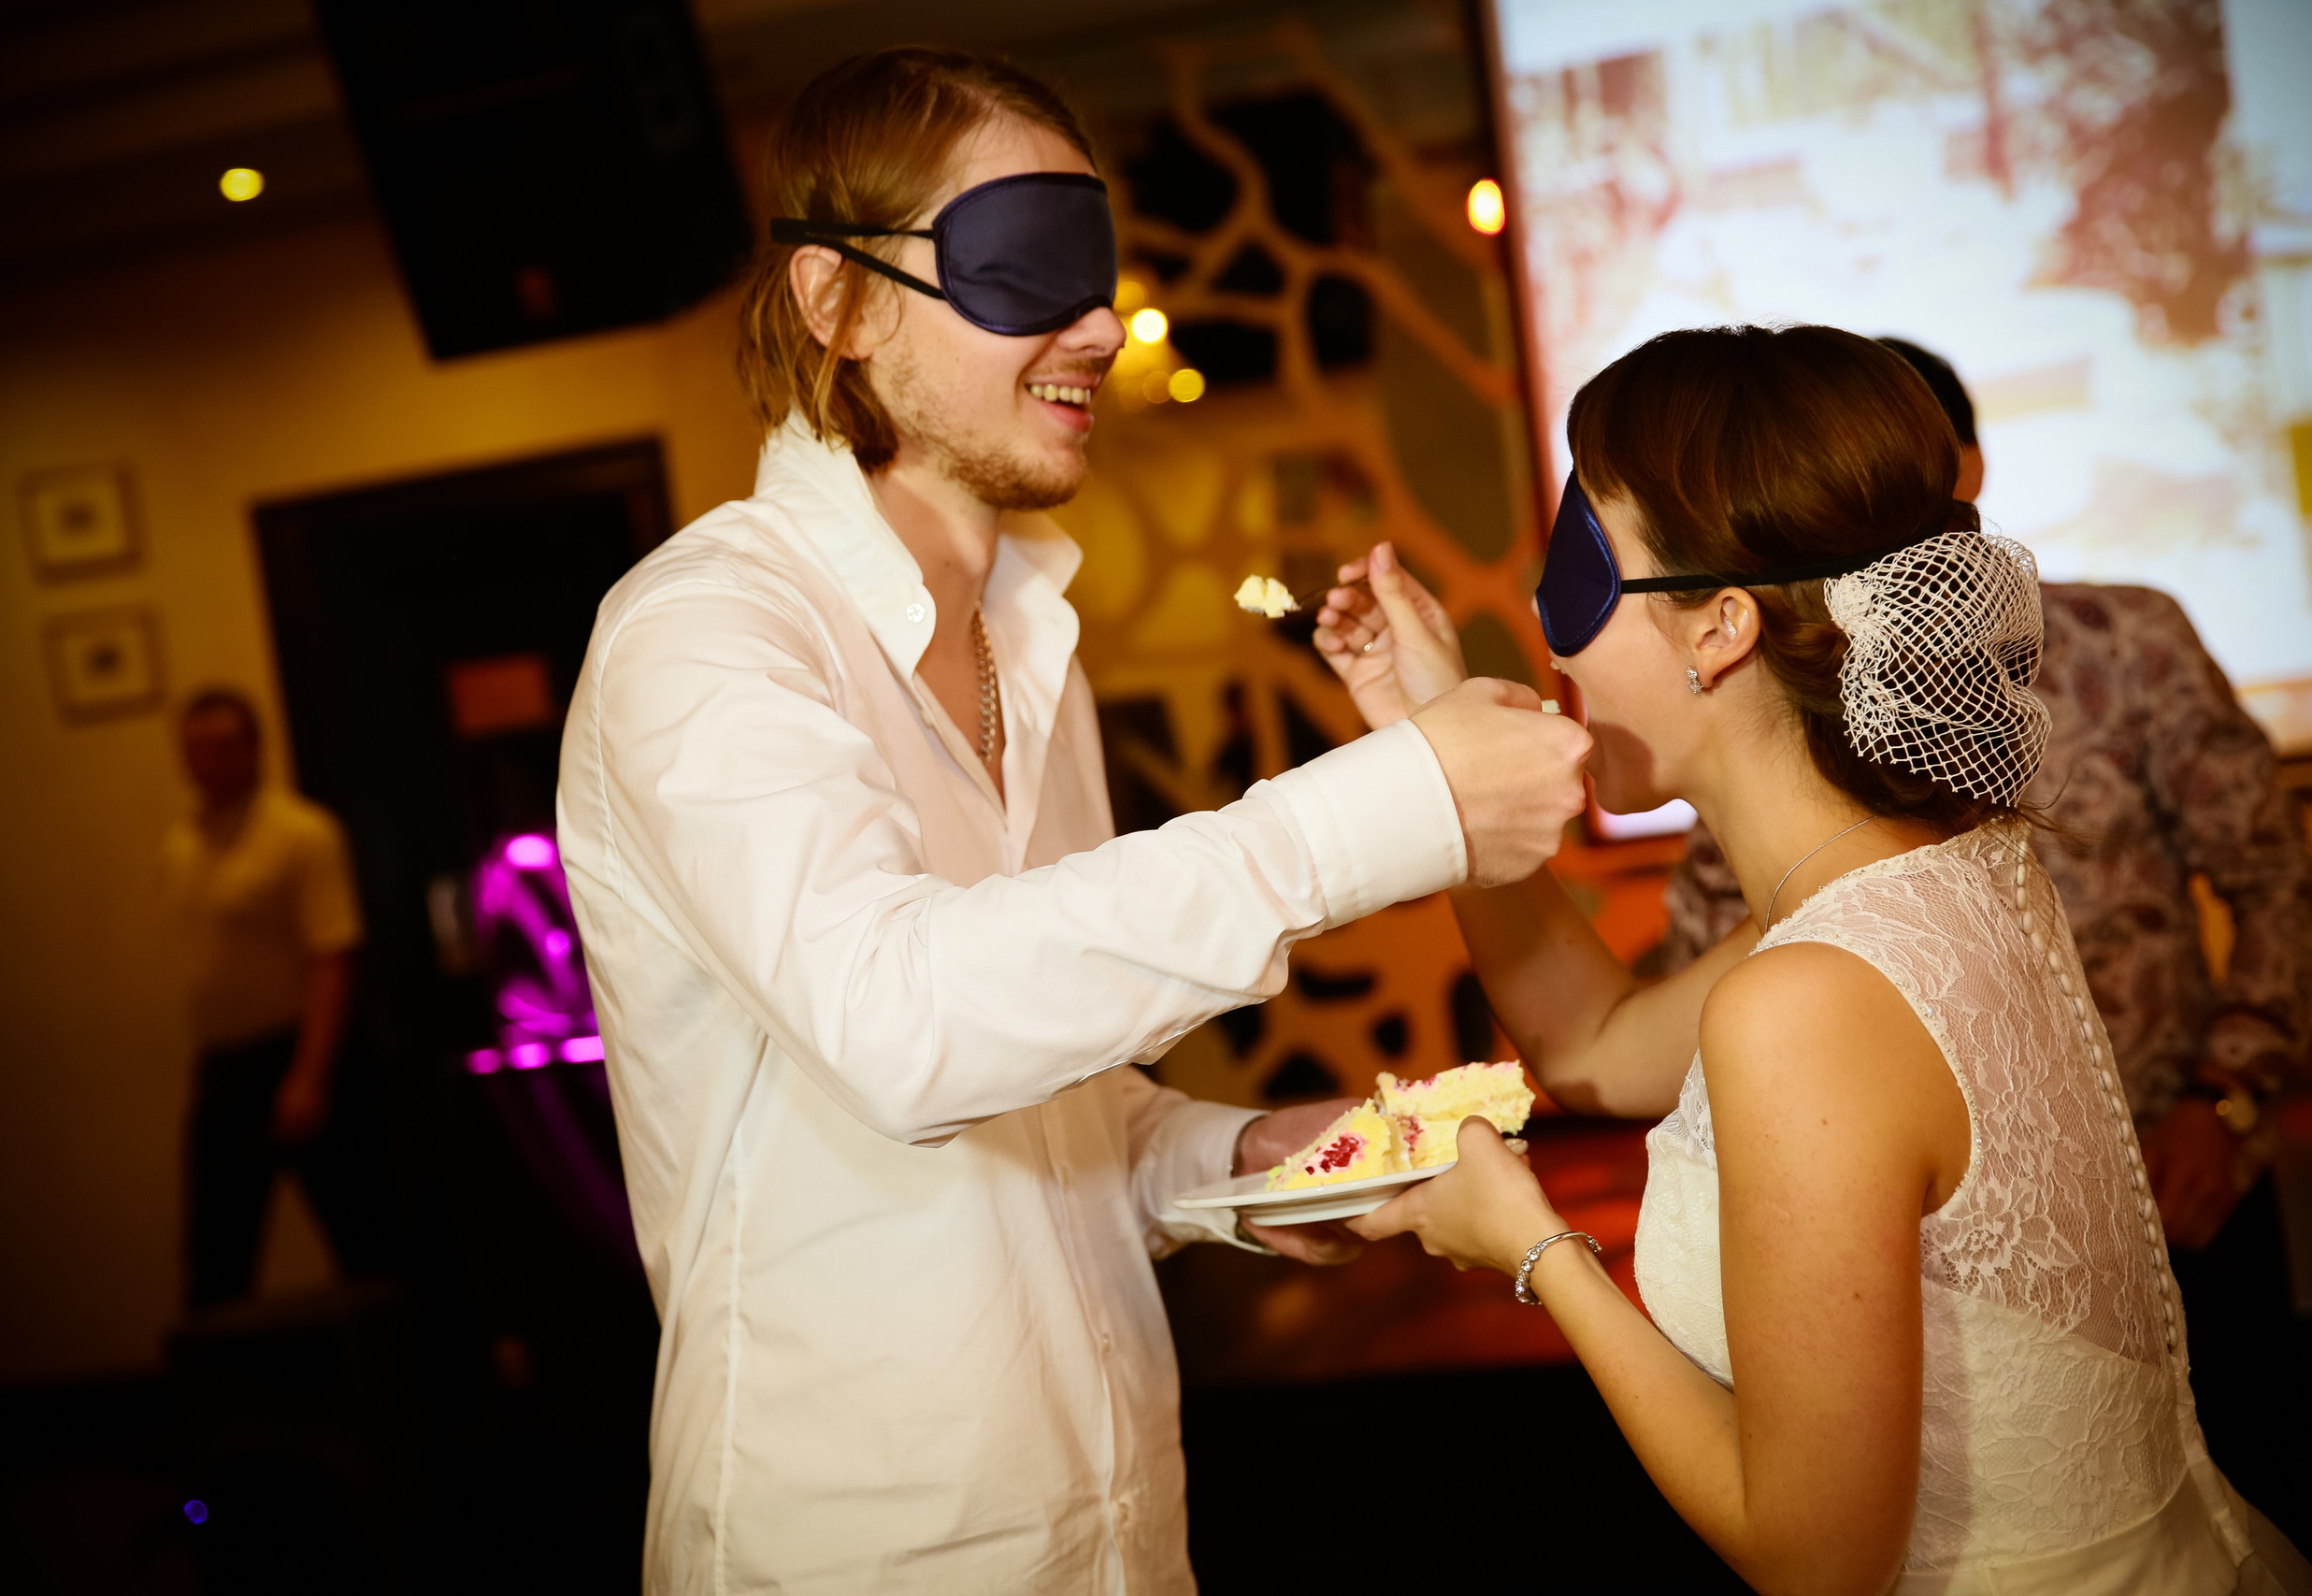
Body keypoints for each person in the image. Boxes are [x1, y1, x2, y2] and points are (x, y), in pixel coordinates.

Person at [553, 48, 1591, 1594]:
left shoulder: (1033, 635)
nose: (1100, 324)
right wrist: (1401, 802)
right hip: (856, 1553)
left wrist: (1240, 1160)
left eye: (1095, 262)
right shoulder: (704, 636)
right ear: (836, 303)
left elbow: (1056, 1096)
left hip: (1113, 1526)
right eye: (1022, 261)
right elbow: (904, 1023)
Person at [1310, 325, 2312, 1591]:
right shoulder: (1942, 875)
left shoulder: (1807, 996)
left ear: (1719, 625)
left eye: (1577, 577)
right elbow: (1586, 1042)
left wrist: (1533, 1247)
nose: (1551, 639)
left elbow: (1812, 1557)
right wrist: (1427, 739)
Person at [1656, 338, 2312, 1503]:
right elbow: (1697, 968)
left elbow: (2277, 875)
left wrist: (2226, 1096)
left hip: (2177, 1185)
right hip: (1927, 1251)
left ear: (1964, 473)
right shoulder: (1780, 709)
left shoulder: (2128, 641)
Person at [162, 686, 381, 1308]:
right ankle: (227, 1402)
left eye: (224, 747)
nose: (209, 762)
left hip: (296, 1055)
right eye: (196, 749)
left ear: (254, 749)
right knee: (215, 1253)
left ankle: (404, 1388)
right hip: (224, 1069)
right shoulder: (182, 841)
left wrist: (309, 1075)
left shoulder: (301, 833)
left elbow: (332, 953)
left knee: (362, 1233)